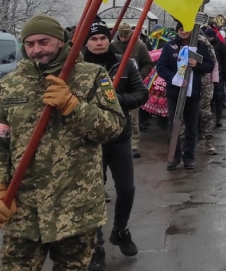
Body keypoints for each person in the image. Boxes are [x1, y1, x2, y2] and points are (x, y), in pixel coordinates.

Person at [0, 14, 126, 271]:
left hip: (75, 209)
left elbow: (113, 127)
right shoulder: (7, 87)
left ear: (61, 41)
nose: (36, 49)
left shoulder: (92, 77)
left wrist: (73, 106)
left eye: (44, 42)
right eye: (30, 44)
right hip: (23, 209)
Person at [82, 23, 148, 270]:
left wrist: (117, 100)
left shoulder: (125, 64)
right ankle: (96, 244)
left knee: (127, 189)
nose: (99, 42)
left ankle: (120, 230)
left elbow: (142, 94)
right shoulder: (78, 68)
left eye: (102, 38)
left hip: (120, 137)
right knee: (93, 193)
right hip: (90, 140)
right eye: (94, 39)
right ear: (86, 43)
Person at [157, 20, 215, 170]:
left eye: (186, 29)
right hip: (174, 93)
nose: (183, 31)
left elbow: (210, 65)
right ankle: (173, 157)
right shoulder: (170, 47)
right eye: (180, 29)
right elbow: (161, 67)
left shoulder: (199, 46)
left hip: (193, 93)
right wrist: (174, 79)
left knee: (191, 126)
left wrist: (198, 65)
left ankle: (189, 157)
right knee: (174, 125)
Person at [114, 22, 153, 158]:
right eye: (122, 36)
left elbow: (148, 63)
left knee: (133, 118)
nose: (124, 39)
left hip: (132, 87)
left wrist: (139, 76)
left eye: (127, 36)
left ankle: (134, 144)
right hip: (116, 87)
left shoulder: (139, 46)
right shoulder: (113, 47)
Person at [202, 26, 226, 154]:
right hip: (188, 84)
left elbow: (215, 63)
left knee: (210, 108)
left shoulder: (208, 45)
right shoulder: (175, 44)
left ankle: (209, 141)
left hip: (210, 80)